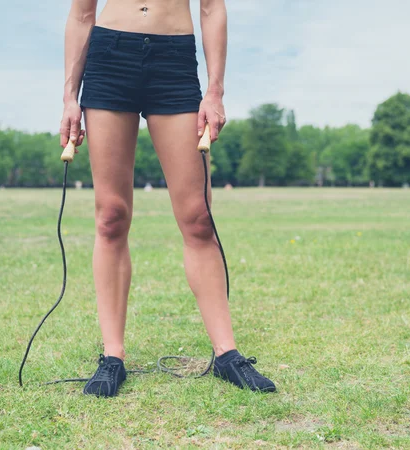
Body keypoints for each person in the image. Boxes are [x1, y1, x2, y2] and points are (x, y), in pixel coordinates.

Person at [60, 0, 275, 397]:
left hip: (174, 59)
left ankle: (227, 354)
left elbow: (211, 9)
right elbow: (81, 14)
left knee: (198, 217)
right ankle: (112, 357)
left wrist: (215, 90)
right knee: (111, 216)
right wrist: (70, 96)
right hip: (109, 57)